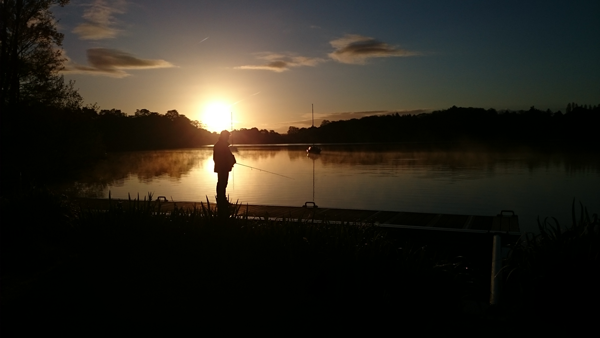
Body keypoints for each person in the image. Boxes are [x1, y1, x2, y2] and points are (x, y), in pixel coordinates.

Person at [213, 130, 236, 207]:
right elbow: (223, 157)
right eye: (227, 136)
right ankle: (221, 200)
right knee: (222, 183)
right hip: (222, 167)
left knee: (222, 183)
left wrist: (231, 160)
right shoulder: (221, 145)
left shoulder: (221, 144)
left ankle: (222, 200)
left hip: (223, 167)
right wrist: (231, 160)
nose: (228, 138)